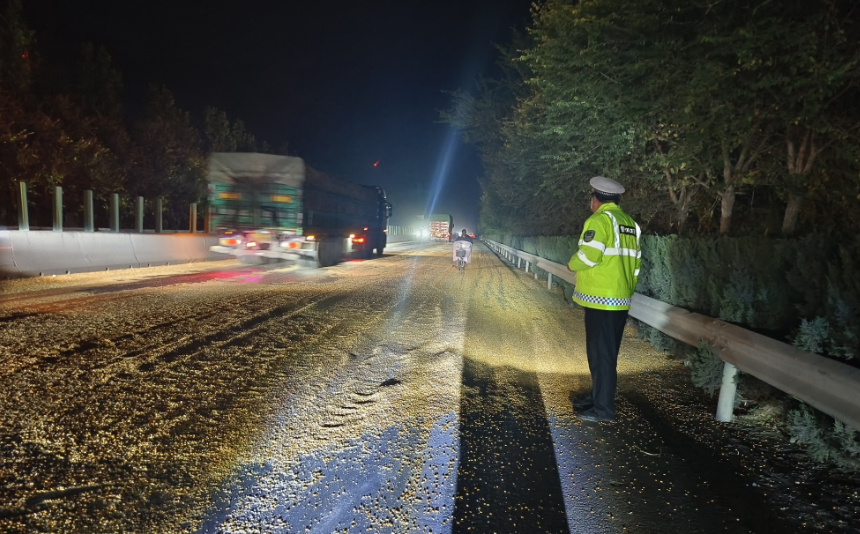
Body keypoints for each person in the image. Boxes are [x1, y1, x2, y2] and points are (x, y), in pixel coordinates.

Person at [567, 177, 641, 423]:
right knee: (605, 354)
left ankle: (603, 410)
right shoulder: (630, 224)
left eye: (591, 198)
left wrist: (572, 264)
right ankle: (597, 398)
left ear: (596, 199)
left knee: (602, 355)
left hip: (601, 299)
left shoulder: (599, 220)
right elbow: (636, 265)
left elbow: (589, 256)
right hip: (619, 299)